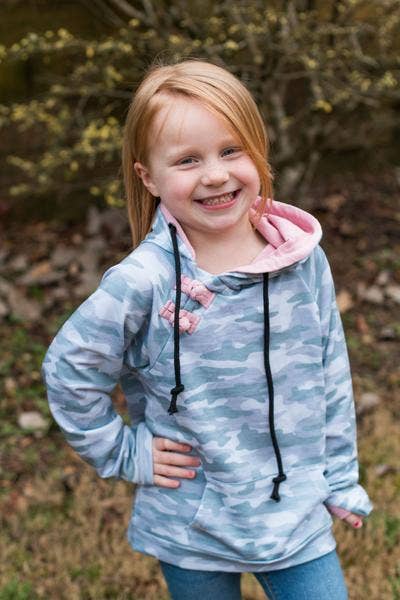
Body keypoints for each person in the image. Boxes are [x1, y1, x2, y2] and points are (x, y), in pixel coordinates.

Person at [42, 59, 373, 600]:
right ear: (148, 177)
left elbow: (329, 372)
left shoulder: (302, 259)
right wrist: (124, 451)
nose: (215, 174)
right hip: (190, 526)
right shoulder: (143, 282)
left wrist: (339, 477)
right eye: (187, 160)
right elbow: (69, 370)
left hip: (295, 519)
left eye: (231, 150)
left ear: (258, 151)